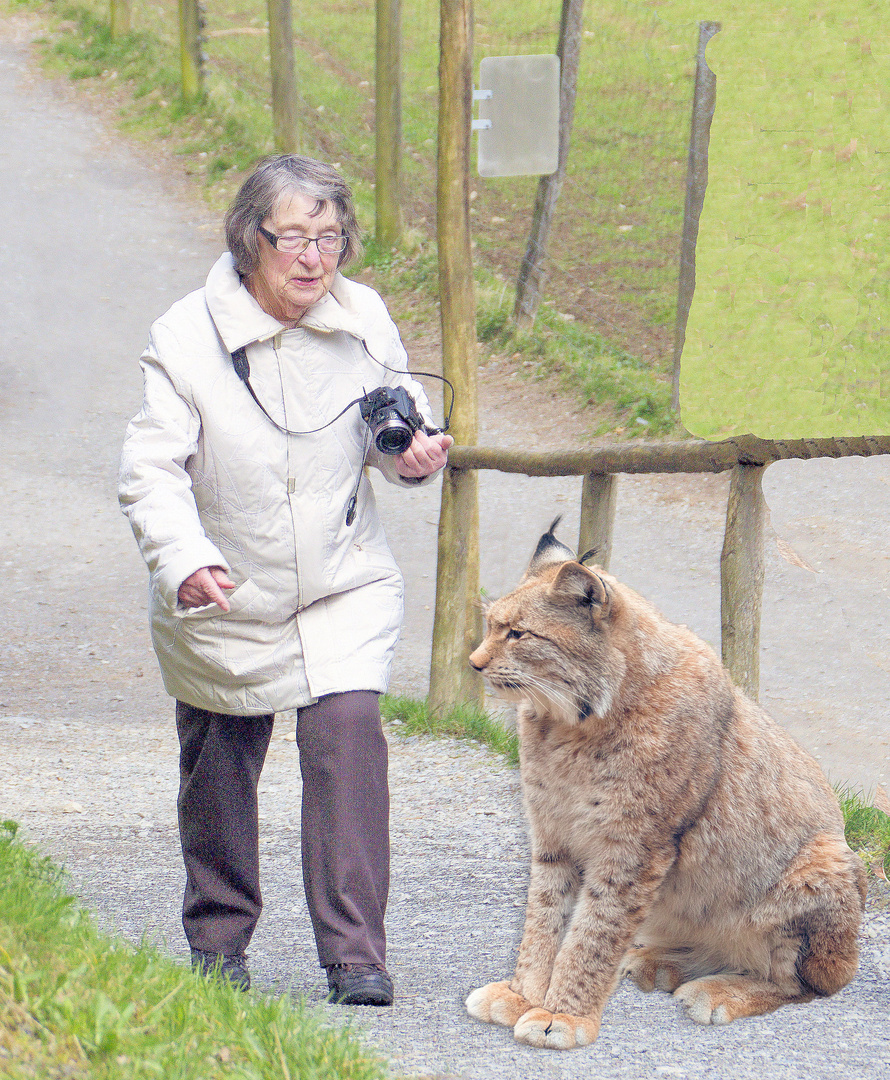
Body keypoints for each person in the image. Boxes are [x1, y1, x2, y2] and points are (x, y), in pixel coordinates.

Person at [119, 155, 452, 1004]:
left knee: (347, 738)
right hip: (226, 583)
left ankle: (355, 957)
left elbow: (395, 413)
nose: (313, 259)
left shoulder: (364, 315)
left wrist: (411, 453)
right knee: (221, 763)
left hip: (342, 582)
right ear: (250, 240)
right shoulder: (187, 334)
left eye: (330, 238)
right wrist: (184, 559)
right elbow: (151, 470)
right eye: (294, 238)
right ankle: (219, 941)